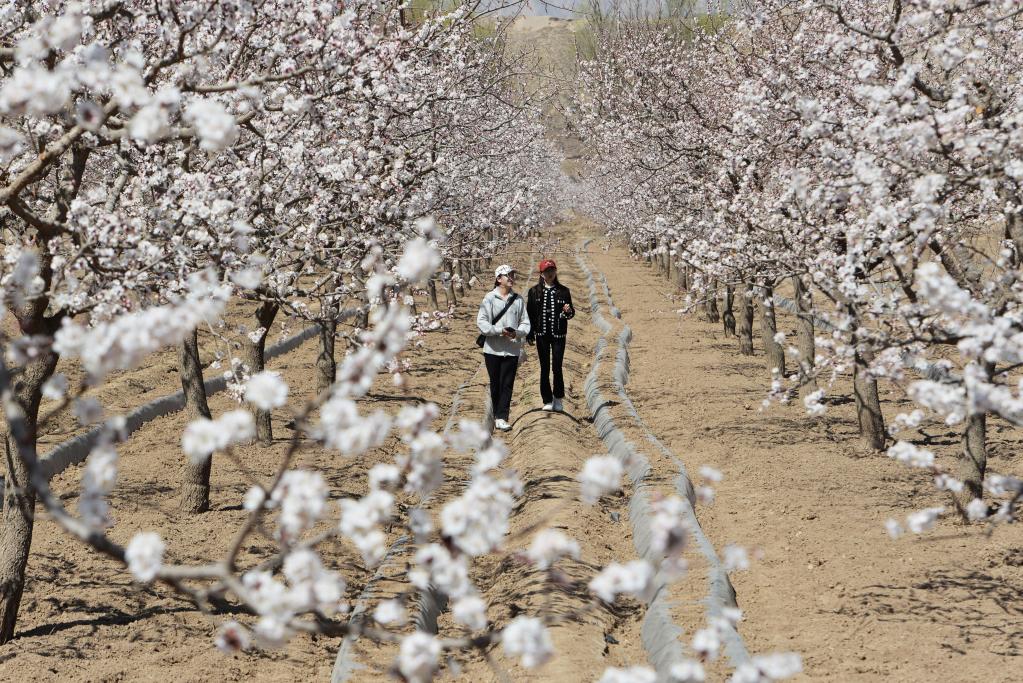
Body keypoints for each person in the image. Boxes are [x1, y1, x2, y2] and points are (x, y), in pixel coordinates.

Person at [477, 264, 530, 431]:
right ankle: (495, 415)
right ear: (499, 279)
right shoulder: (489, 299)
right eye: (508, 275)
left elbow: (526, 322)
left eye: (513, 274)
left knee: (507, 383)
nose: (512, 278)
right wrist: (500, 331)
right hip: (493, 349)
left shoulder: (518, 300)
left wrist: (518, 333)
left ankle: (502, 417)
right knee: (496, 383)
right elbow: (482, 322)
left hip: (512, 349)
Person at [526, 259, 575, 412]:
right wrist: (530, 333)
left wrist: (567, 312)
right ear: (541, 274)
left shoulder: (563, 291)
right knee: (544, 367)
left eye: (552, 270)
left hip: (558, 335)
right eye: (547, 271)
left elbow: (571, 313)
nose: (550, 273)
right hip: (542, 334)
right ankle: (547, 399)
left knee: (557, 367)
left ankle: (558, 398)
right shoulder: (534, 292)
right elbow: (530, 314)